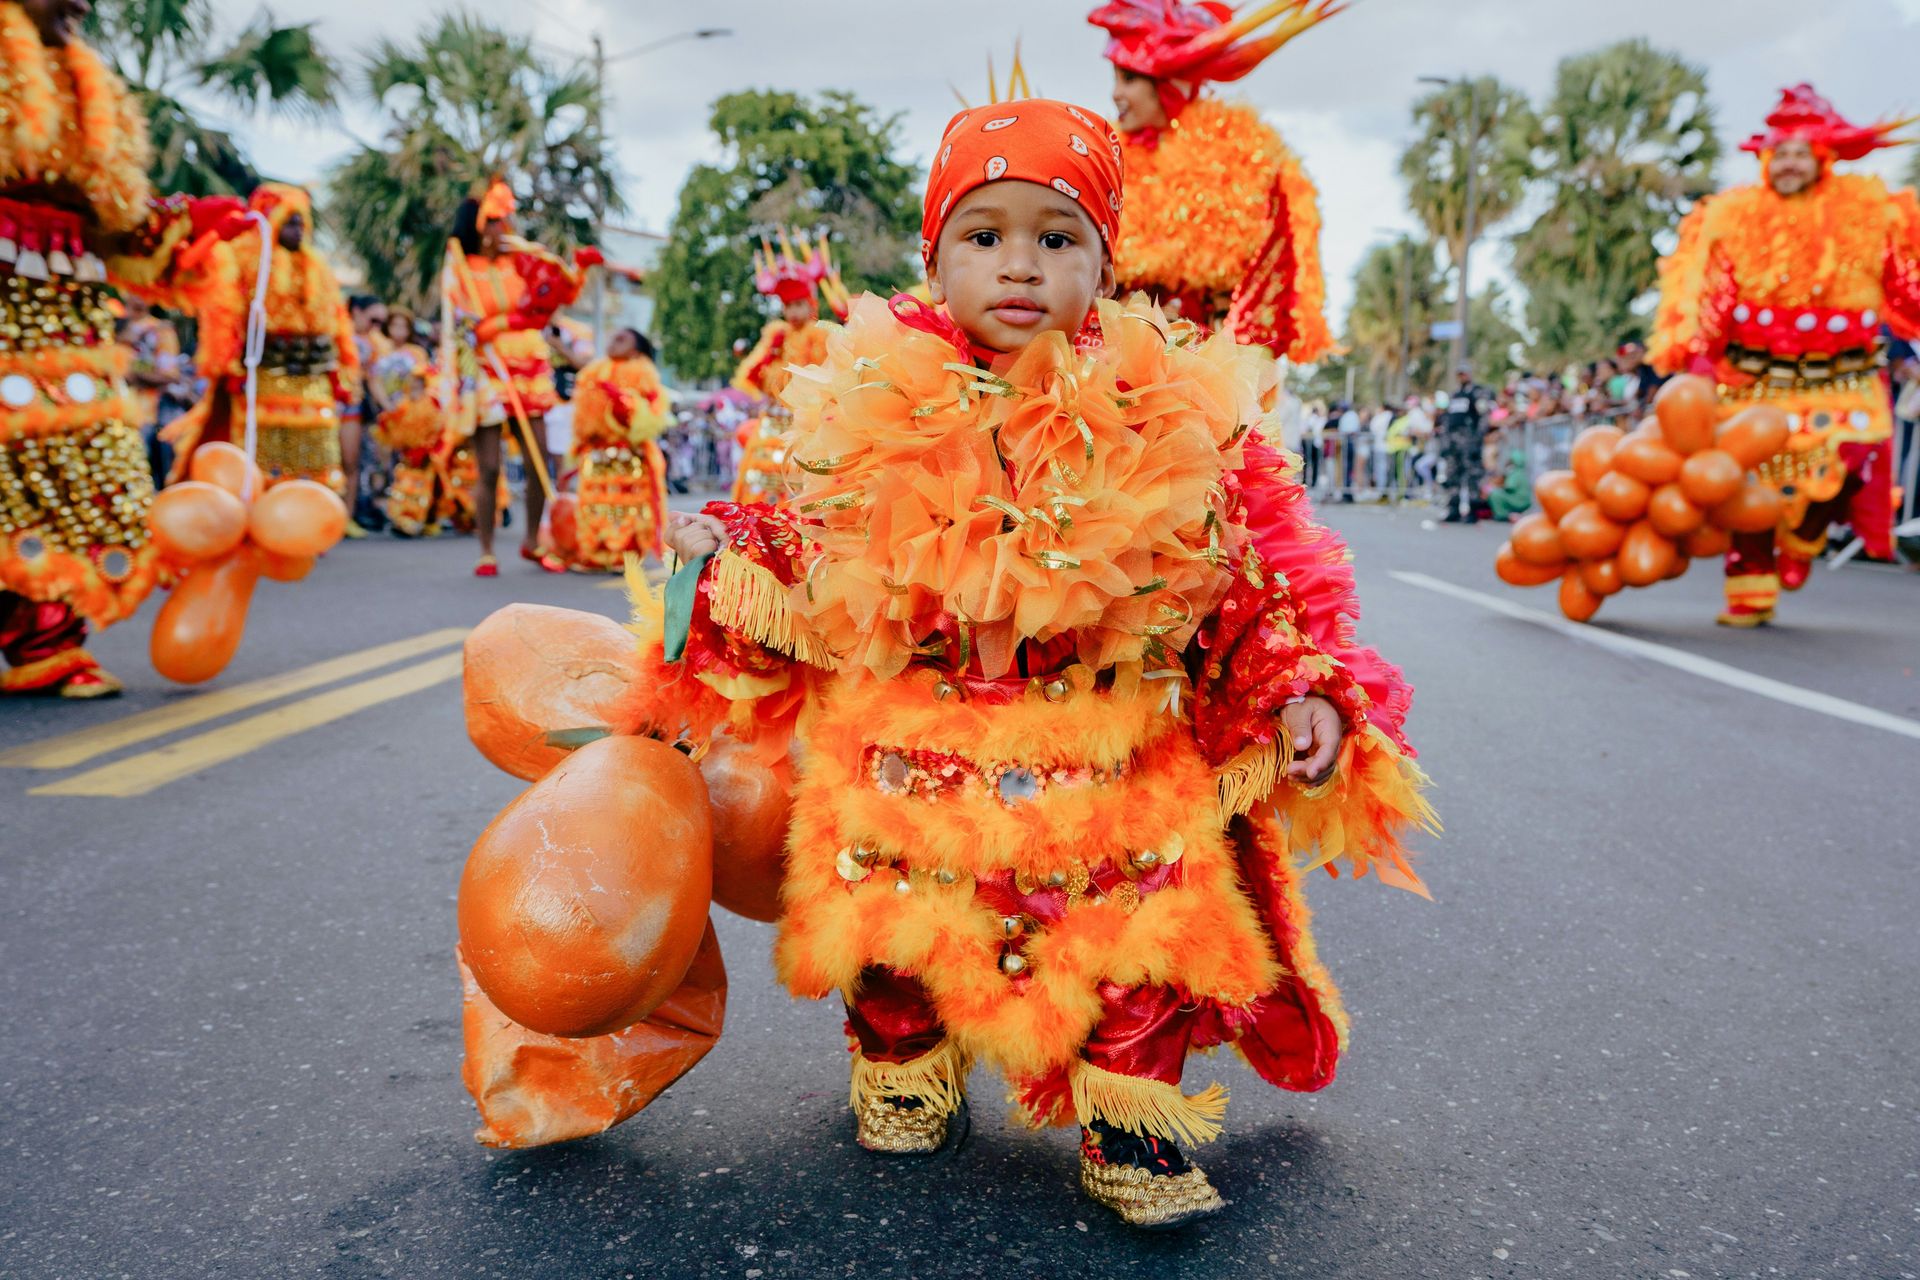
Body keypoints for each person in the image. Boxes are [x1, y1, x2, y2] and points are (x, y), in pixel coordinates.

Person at [631, 98, 1433, 1229]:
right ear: (935, 254)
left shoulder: (1171, 409)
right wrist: (727, 546)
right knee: (901, 934)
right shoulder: (871, 396)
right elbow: (808, 538)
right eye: (986, 234)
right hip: (918, 753)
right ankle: (905, 1067)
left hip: (1103, 758)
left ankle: (1131, 1122)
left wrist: (1301, 686)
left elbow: (1243, 577)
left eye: (1057, 237)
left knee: (1139, 940)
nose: (1021, 264)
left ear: (1105, 260)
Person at [0, 0, 232, 696]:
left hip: (73, 345)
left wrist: (189, 230)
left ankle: (48, 641)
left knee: (79, 488)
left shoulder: (86, 83)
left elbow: (115, 233)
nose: (81, 4)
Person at [1648, 85, 1920, 625]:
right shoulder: (1731, 217)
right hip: (1753, 377)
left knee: (1853, 460)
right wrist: (1701, 357)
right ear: (1766, 159)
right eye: (1782, 153)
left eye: (1801, 153)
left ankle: (1803, 540)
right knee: (1748, 480)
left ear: (1822, 158)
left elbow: (1904, 286)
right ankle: (1750, 587)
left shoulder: (1871, 215)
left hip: (1844, 378)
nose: (1790, 163)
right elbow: (1712, 294)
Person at [1090, 0, 1337, 362]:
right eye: (1115, 78)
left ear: (1169, 86)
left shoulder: (1246, 163)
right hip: (1108, 370)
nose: (1115, 94)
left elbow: (1264, 294)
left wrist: (1228, 379)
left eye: (1128, 79)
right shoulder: (1105, 162)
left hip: (1203, 376)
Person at [158, 184, 362, 498]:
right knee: (261, 450)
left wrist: (343, 371)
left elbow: (338, 323)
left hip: (313, 380)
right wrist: (228, 364)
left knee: (317, 450)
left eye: (301, 223)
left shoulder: (319, 269)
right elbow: (222, 313)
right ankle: (260, 512)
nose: (297, 231)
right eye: (289, 222)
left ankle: (311, 513)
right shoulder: (243, 258)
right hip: (262, 377)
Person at [445, 178, 599, 577]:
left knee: (539, 459)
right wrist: (507, 322)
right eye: (494, 221)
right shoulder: (461, 268)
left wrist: (577, 271)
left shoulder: (522, 260)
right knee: (491, 465)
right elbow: (463, 329)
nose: (502, 228)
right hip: (489, 370)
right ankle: (486, 550)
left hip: (531, 370)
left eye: (505, 220)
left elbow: (555, 295)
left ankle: (533, 541)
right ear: (477, 224)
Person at [729, 232, 838, 504]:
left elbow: (826, 379)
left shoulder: (820, 335)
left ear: (812, 303)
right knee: (761, 477)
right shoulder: (775, 334)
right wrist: (769, 356)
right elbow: (750, 379)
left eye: (799, 304)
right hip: (772, 421)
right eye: (788, 305)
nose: (793, 312)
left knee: (801, 479)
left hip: (805, 421)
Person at [563, 328, 670, 570]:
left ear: (636, 349)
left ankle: (626, 553)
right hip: (595, 453)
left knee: (627, 507)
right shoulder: (594, 370)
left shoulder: (644, 374)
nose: (613, 342)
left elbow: (651, 416)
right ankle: (593, 553)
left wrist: (623, 403)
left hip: (628, 456)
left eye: (621, 339)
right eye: (613, 337)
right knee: (592, 505)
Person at [1439, 367, 1489, 523]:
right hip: (1453, 444)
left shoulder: (1477, 393)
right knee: (1452, 476)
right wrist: (1445, 441)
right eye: (1459, 374)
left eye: (1464, 373)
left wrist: (1477, 439)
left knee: (1472, 476)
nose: (1462, 376)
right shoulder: (1454, 395)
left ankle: (1473, 511)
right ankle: (1453, 509)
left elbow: (1483, 417)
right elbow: (1447, 419)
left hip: (1469, 442)